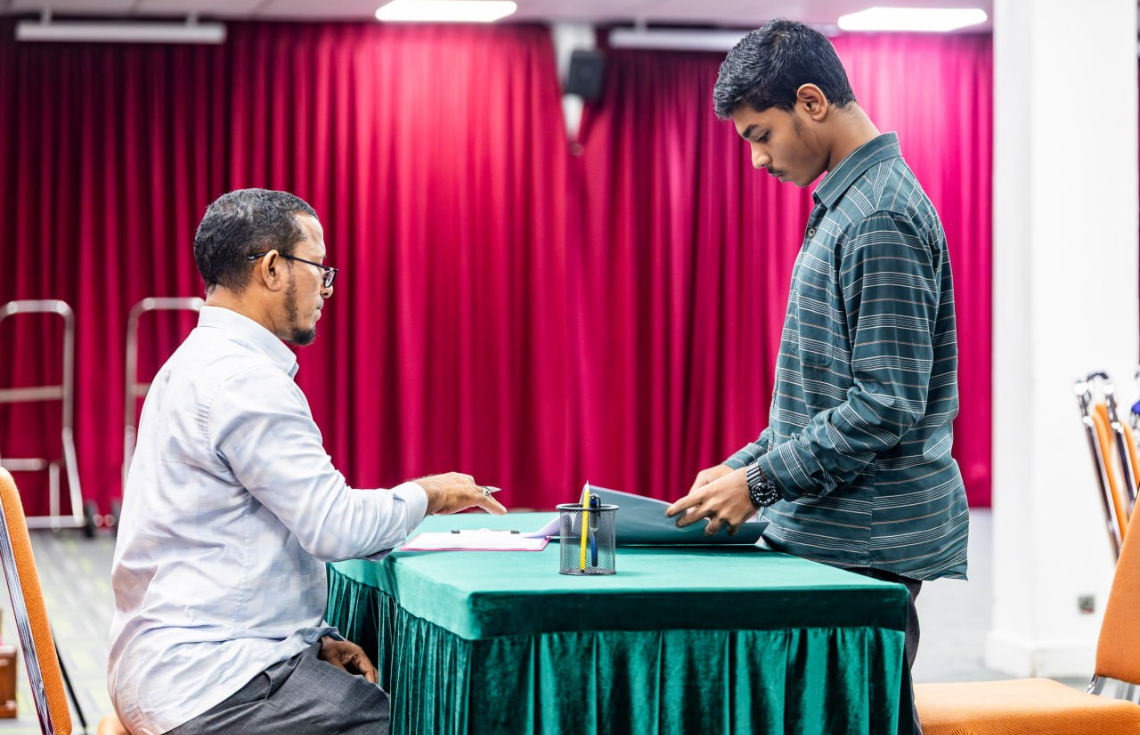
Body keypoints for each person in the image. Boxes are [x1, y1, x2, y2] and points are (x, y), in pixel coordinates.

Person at [108, 188, 507, 735]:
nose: (327, 288)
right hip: (212, 686)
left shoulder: (194, 363)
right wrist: (430, 493)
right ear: (272, 269)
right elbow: (335, 527)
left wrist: (311, 640)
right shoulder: (243, 380)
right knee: (426, 719)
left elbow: (228, 548)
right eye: (319, 268)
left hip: (174, 667)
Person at [665, 19, 969, 733]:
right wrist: (744, 465)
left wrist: (761, 483)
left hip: (864, 541)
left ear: (811, 102)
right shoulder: (850, 204)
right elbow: (822, 396)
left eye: (760, 135)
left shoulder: (879, 215)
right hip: (835, 532)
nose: (757, 160)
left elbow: (884, 404)